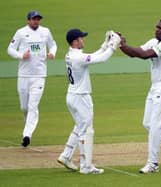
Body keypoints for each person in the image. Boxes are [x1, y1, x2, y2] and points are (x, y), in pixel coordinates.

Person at [119, 19, 161, 174]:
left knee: (156, 124)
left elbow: (144, 55)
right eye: (156, 27)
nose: (157, 30)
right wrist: (122, 45)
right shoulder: (153, 41)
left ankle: (153, 164)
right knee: (148, 124)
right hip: (156, 86)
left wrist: (123, 45)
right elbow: (134, 53)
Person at [57, 28, 120, 174]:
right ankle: (86, 166)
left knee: (80, 127)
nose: (83, 40)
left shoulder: (71, 54)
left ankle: (66, 156)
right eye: (81, 38)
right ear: (75, 41)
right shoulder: (77, 57)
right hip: (81, 97)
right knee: (86, 130)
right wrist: (113, 45)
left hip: (72, 96)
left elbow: (92, 56)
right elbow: (101, 59)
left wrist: (106, 43)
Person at [7, 10, 57, 147]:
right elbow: (10, 49)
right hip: (23, 75)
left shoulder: (45, 31)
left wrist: (52, 53)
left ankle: (27, 135)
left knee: (32, 106)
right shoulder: (20, 32)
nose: (36, 21)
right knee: (24, 107)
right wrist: (21, 55)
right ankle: (27, 126)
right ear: (28, 20)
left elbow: (53, 45)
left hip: (40, 75)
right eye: (34, 19)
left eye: (38, 19)